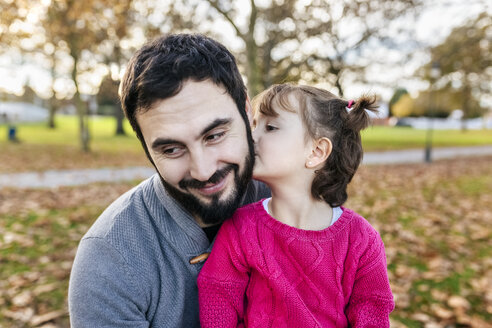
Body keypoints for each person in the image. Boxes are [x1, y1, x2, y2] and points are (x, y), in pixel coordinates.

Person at [68, 34, 270, 327]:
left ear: (247, 109)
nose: (202, 171)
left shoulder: (295, 199)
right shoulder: (110, 260)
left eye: (215, 136)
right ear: (145, 147)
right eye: (172, 149)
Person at [198, 84, 394, 327]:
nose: (251, 136)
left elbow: (372, 311)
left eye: (270, 127)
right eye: (253, 126)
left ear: (316, 151)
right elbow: (218, 296)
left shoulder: (361, 240)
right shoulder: (241, 229)